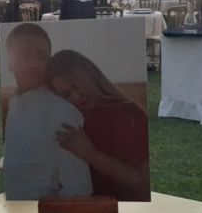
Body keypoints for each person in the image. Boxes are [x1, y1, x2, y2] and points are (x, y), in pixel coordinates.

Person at [4, 24, 93, 200]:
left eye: (42, 56)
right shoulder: (13, 103)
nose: (34, 64)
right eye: (24, 55)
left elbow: (79, 190)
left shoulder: (62, 112)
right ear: (9, 62)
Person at [47, 50, 150, 201]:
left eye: (77, 85)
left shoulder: (129, 113)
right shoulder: (68, 120)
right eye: (66, 95)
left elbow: (141, 184)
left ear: (89, 75)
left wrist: (91, 154)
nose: (77, 96)